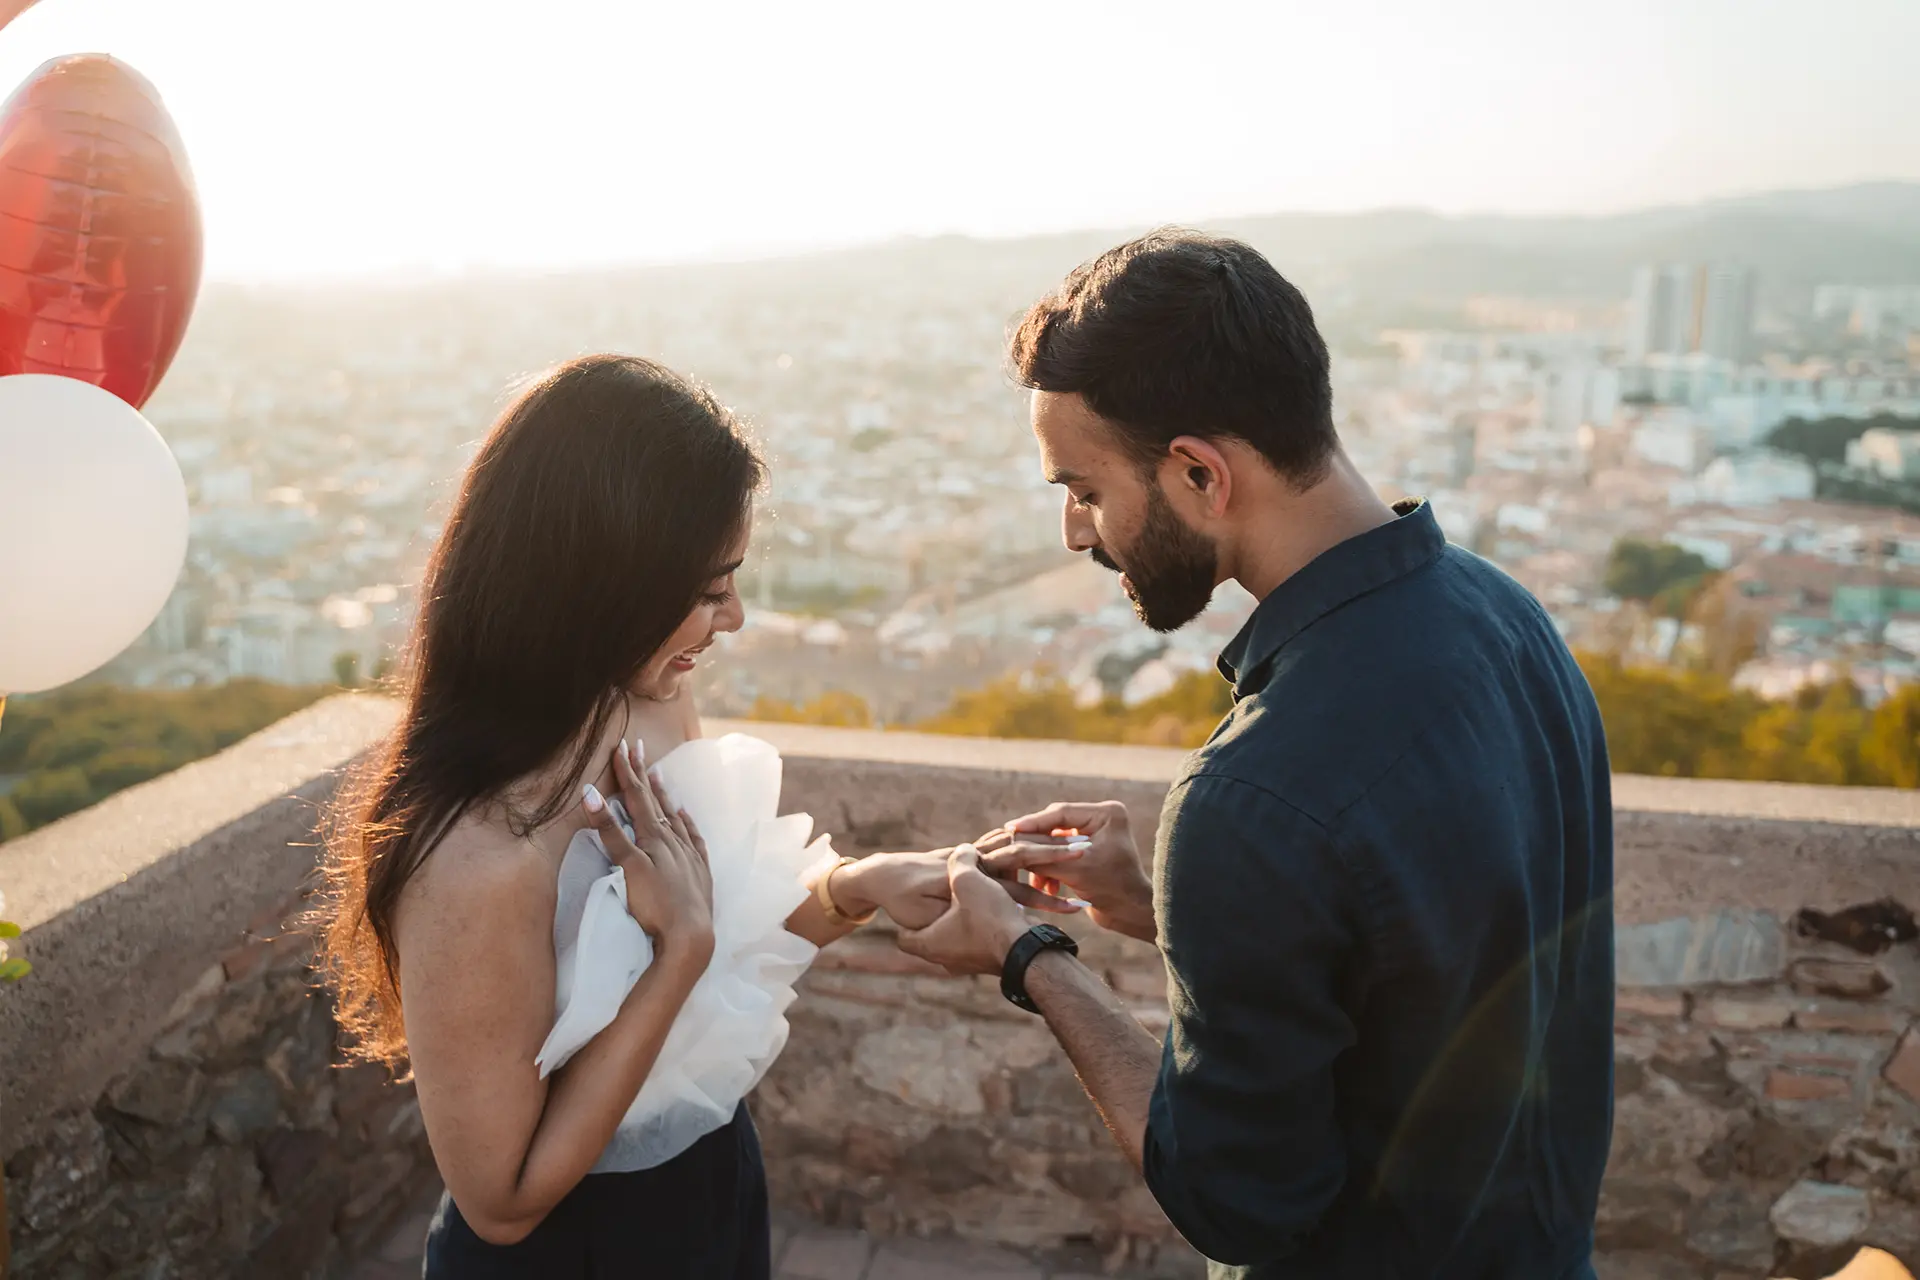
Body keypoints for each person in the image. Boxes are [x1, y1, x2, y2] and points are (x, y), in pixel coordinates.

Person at [899, 231, 1616, 1279]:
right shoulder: (1509, 620)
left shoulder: (1257, 791)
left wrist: (1029, 957)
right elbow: (1419, 966)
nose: (1074, 532)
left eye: (1086, 489)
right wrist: (1165, 904)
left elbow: (1234, 1198)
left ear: (1199, 472)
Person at [314, 355, 1069, 1279]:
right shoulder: (476, 853)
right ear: (603, 583)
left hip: (709, 1185)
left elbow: (726, 925)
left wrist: (856, 886)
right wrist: (677, 955)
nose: (737, 617)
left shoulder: (651, 711)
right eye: (711, 590)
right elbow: (502, 1202)